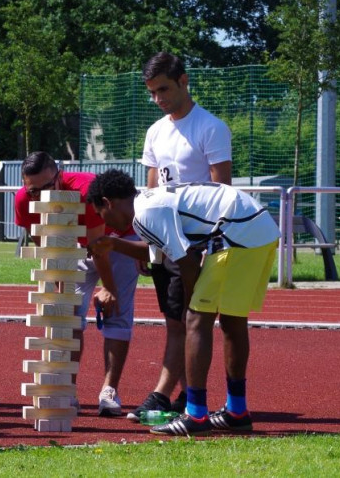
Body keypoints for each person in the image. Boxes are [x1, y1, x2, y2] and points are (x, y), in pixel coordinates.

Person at [87, 170, 279, 435]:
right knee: (233, 319)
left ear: (108, 202)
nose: (104, 221)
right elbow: (161, 255)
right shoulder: (148, 204)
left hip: (235, 231)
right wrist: (114, 244)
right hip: (256, 228)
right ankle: (237, 411)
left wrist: (193, 309)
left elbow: (186, 262)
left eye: (100, 213)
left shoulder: (146, 213)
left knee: (196, 319)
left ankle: (196, 415)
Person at [129, 51, 232, 421]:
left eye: (164, 89)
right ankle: (187, 396)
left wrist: (209, 246)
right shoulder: (155, 131)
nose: (159, 99)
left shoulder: (211, 127)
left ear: (184, 81)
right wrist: (146, 241)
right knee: (175, 319)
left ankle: (168, 395)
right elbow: (152, 191)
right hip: (165, 242)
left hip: (197, 244)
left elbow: (223, 190)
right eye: (153, 93)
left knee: (191, 320)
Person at [14, 151, 140, 417]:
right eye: (33, 190)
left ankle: (109, 392)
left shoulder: (84, 191)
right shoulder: (24, 200)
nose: (41, 196)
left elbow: (100, 248)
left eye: (47, 187)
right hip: (76, 248)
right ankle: (68, 390)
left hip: (116, 241)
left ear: (59, 175)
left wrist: (110, 288)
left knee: (117, 313)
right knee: (68, 316)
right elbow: (42, 242)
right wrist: (58, 284)